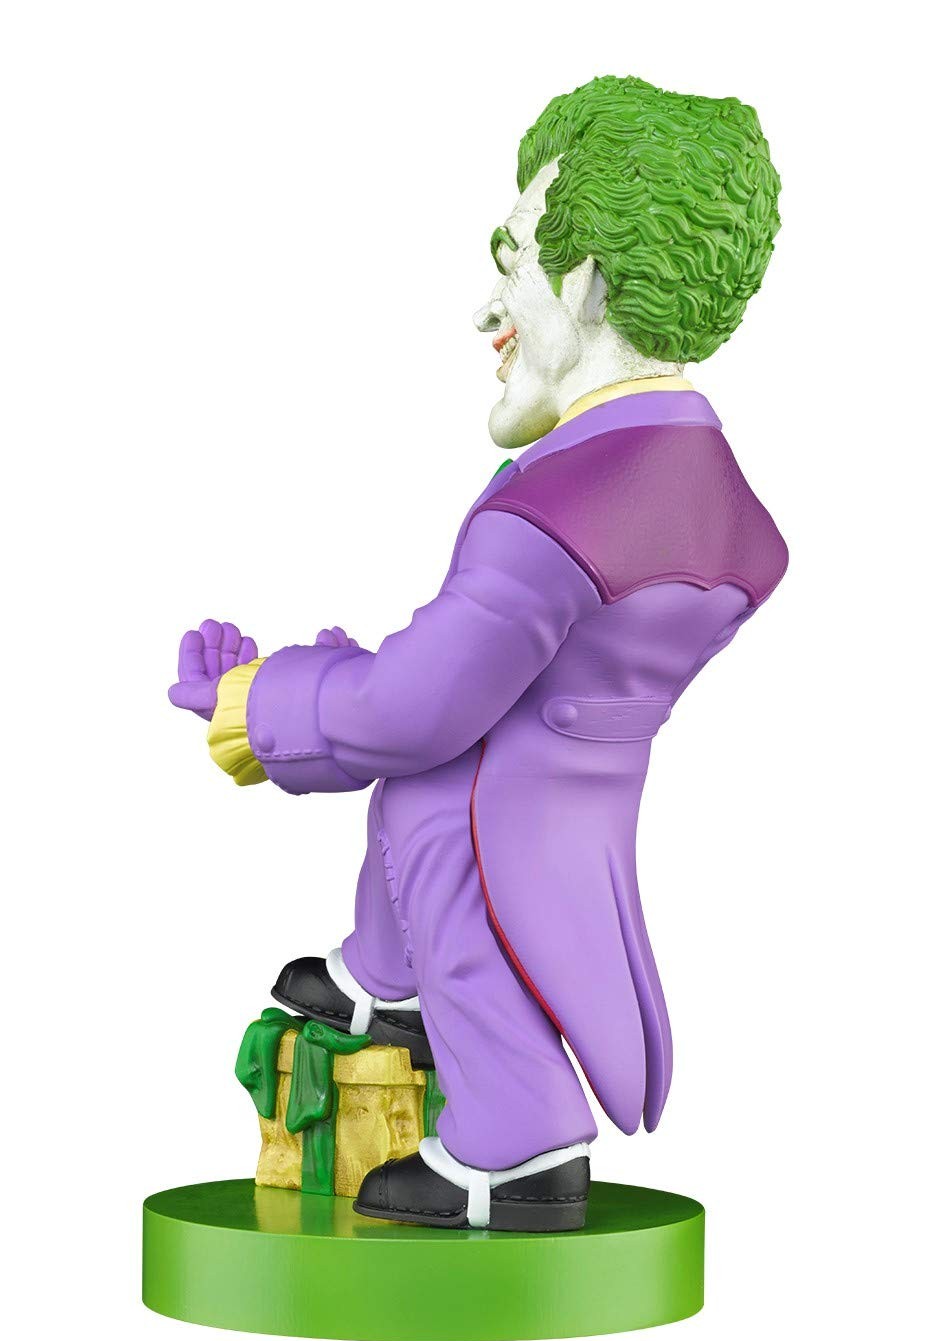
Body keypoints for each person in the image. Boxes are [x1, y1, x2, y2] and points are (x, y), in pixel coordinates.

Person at [169, 76, 786, 1232]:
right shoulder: (694, 482)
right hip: (563, 787)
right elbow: (480, 681)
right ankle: (382, 980)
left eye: (513, 260)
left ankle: (517, 1139)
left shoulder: (555, 515)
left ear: (585, 281)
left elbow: (414, 708)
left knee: (442, 825)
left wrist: (258, 700)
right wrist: (334, 671)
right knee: (430, 799)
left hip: (499, 819)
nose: (486, 307)